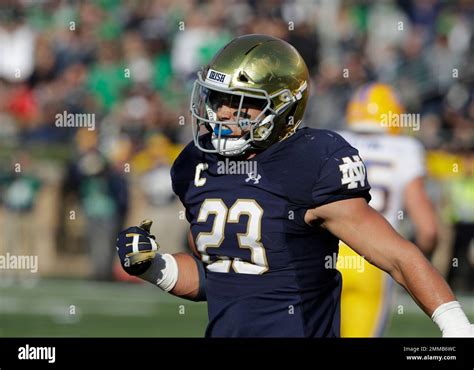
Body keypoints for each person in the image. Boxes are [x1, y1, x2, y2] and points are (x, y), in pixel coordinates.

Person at [115, 34, 473, 337]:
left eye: (242, 103)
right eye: (218, 99)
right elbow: (222, 276)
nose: (223, 113)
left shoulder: (310, 163)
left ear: (283, 108)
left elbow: (398, 255)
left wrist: (456, 326)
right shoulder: (196, 165)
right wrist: (154, 267)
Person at [337, 83, 438, 337]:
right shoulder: (405, 149)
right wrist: (410, 266)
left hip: (325, 253)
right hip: (375, 257)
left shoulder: (333, 141)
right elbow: (428, 230)